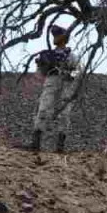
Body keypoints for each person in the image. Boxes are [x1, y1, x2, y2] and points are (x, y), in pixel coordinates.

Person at [30, 24, 78, 154]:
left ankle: (60, 146)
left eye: (57, 35)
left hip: (66, 83)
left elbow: (77, 71)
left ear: (63, 38)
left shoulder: (71, 56)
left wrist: (68, 73)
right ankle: (36, 143)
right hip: (51, 81)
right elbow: (40, 73)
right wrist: (41, 65)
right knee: (43, 109)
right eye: (54, 35)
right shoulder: (48, 55)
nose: (55, 38)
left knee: (64, 113)